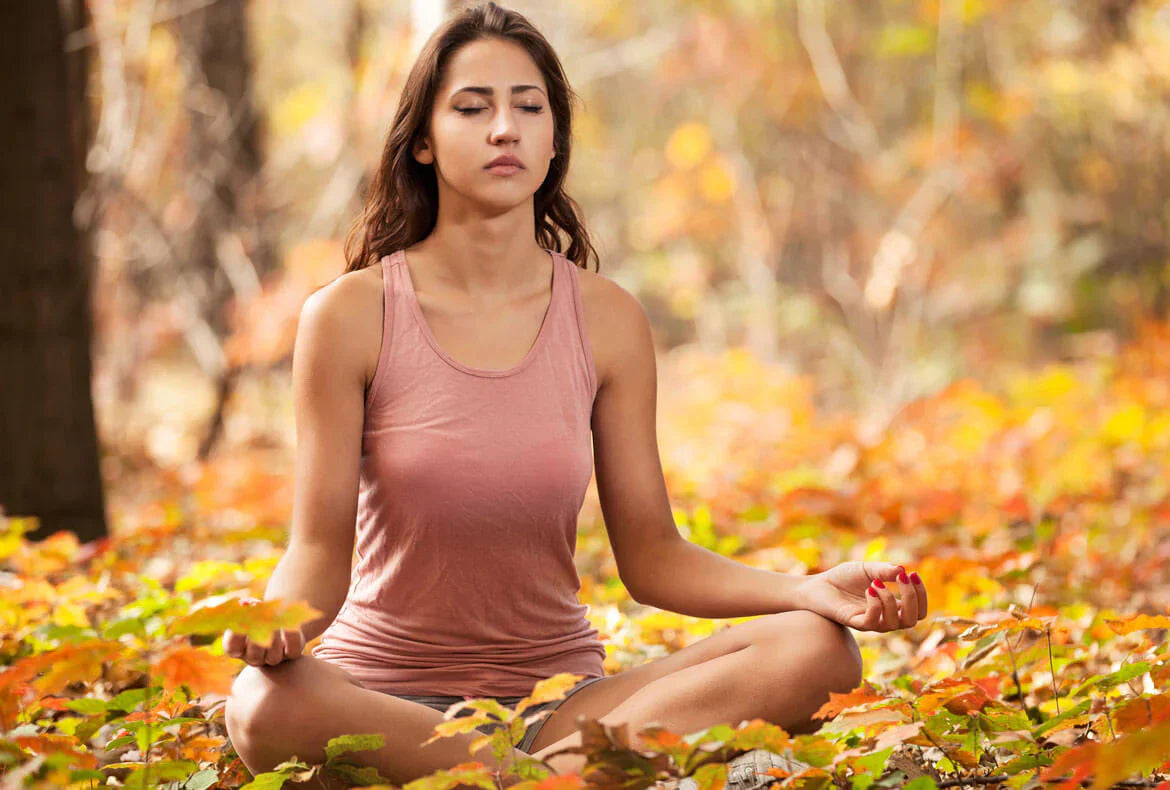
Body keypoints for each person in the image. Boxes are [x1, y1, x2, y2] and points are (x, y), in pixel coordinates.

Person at [221, 3, 929, 789]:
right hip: (380, 700)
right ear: (421, 139)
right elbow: (317, 552)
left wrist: (807, 590)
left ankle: (519, 773)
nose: (504, 129)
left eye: (529, 107)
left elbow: (654, 556)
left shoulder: (608, 319)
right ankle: (555, 781)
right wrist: (274, 626)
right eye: (472, 107)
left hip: (563, 704)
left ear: (555, 139)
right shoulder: (348, 315)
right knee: (259, 706)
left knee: (817, 651)